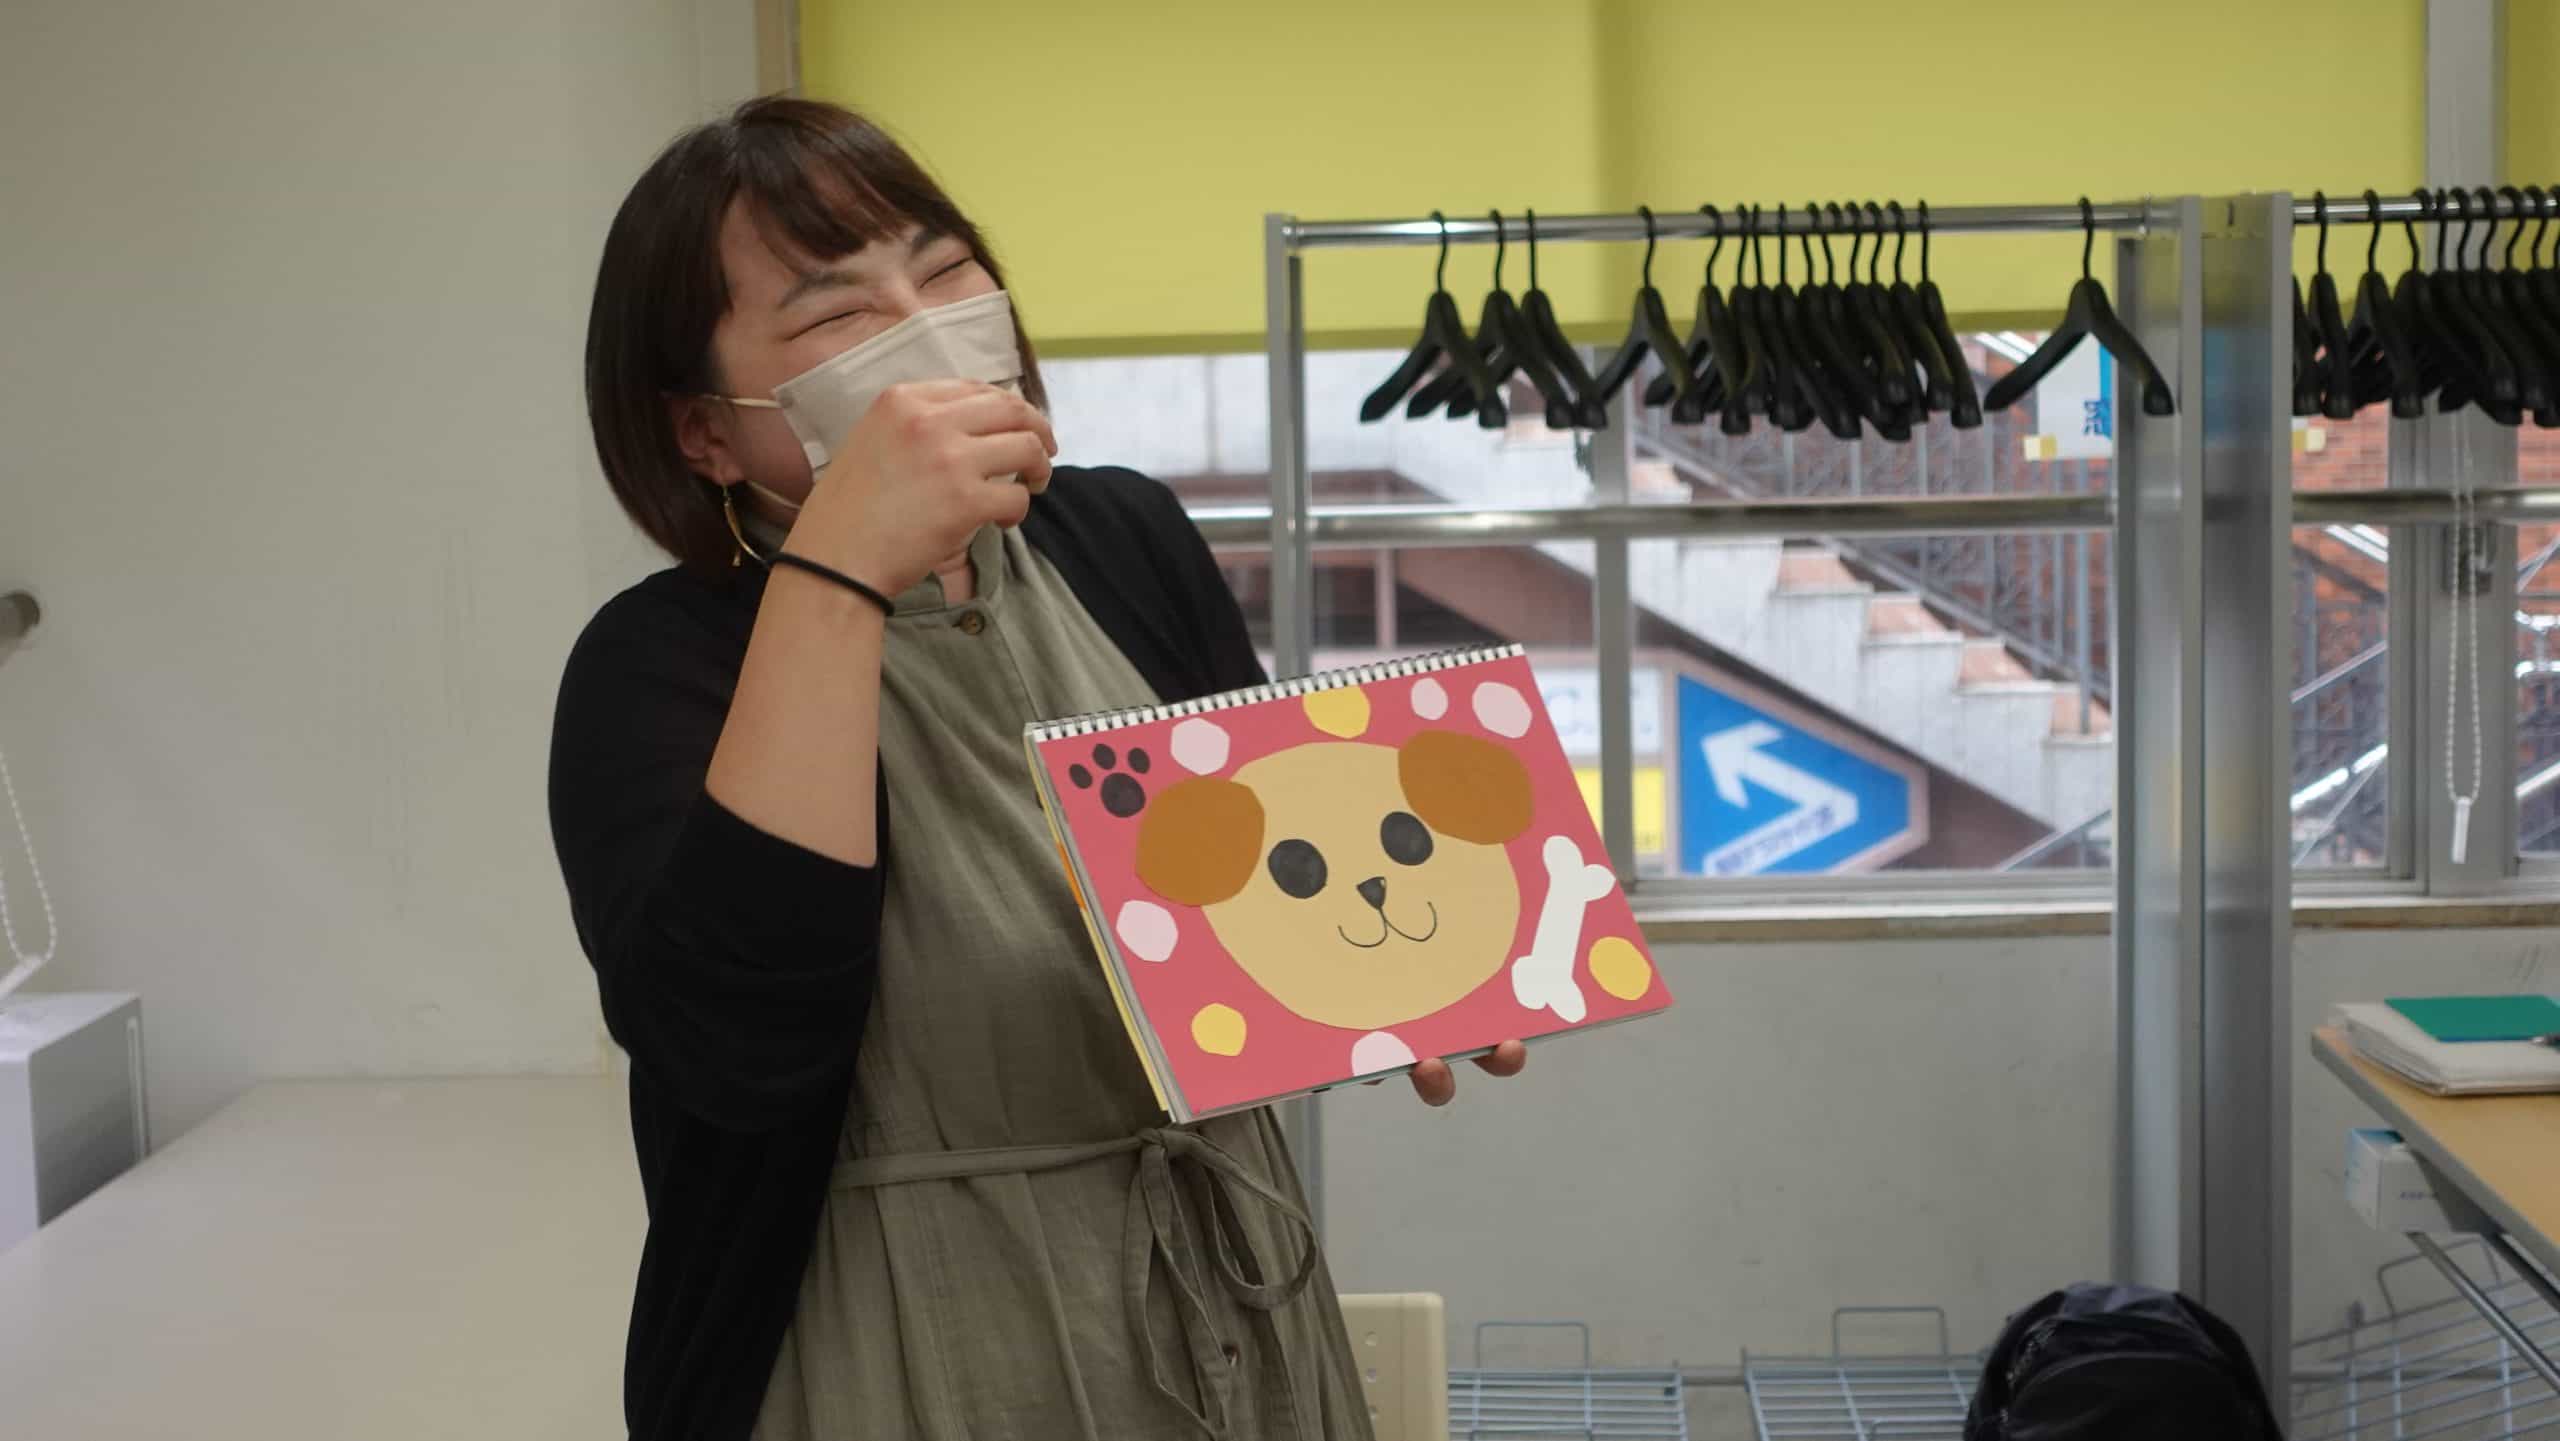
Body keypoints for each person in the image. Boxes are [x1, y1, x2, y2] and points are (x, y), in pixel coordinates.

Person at [551, 97, 1528, 1441]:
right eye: (839, 314)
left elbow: (1245, 901)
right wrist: (842, 564)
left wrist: (1414, 976)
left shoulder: (1124, 535)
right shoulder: (658, 661)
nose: (923, 327)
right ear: (704, 432)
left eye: (947, 269)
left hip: (1224, 1298)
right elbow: (739, 1053)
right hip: (901, 1341)